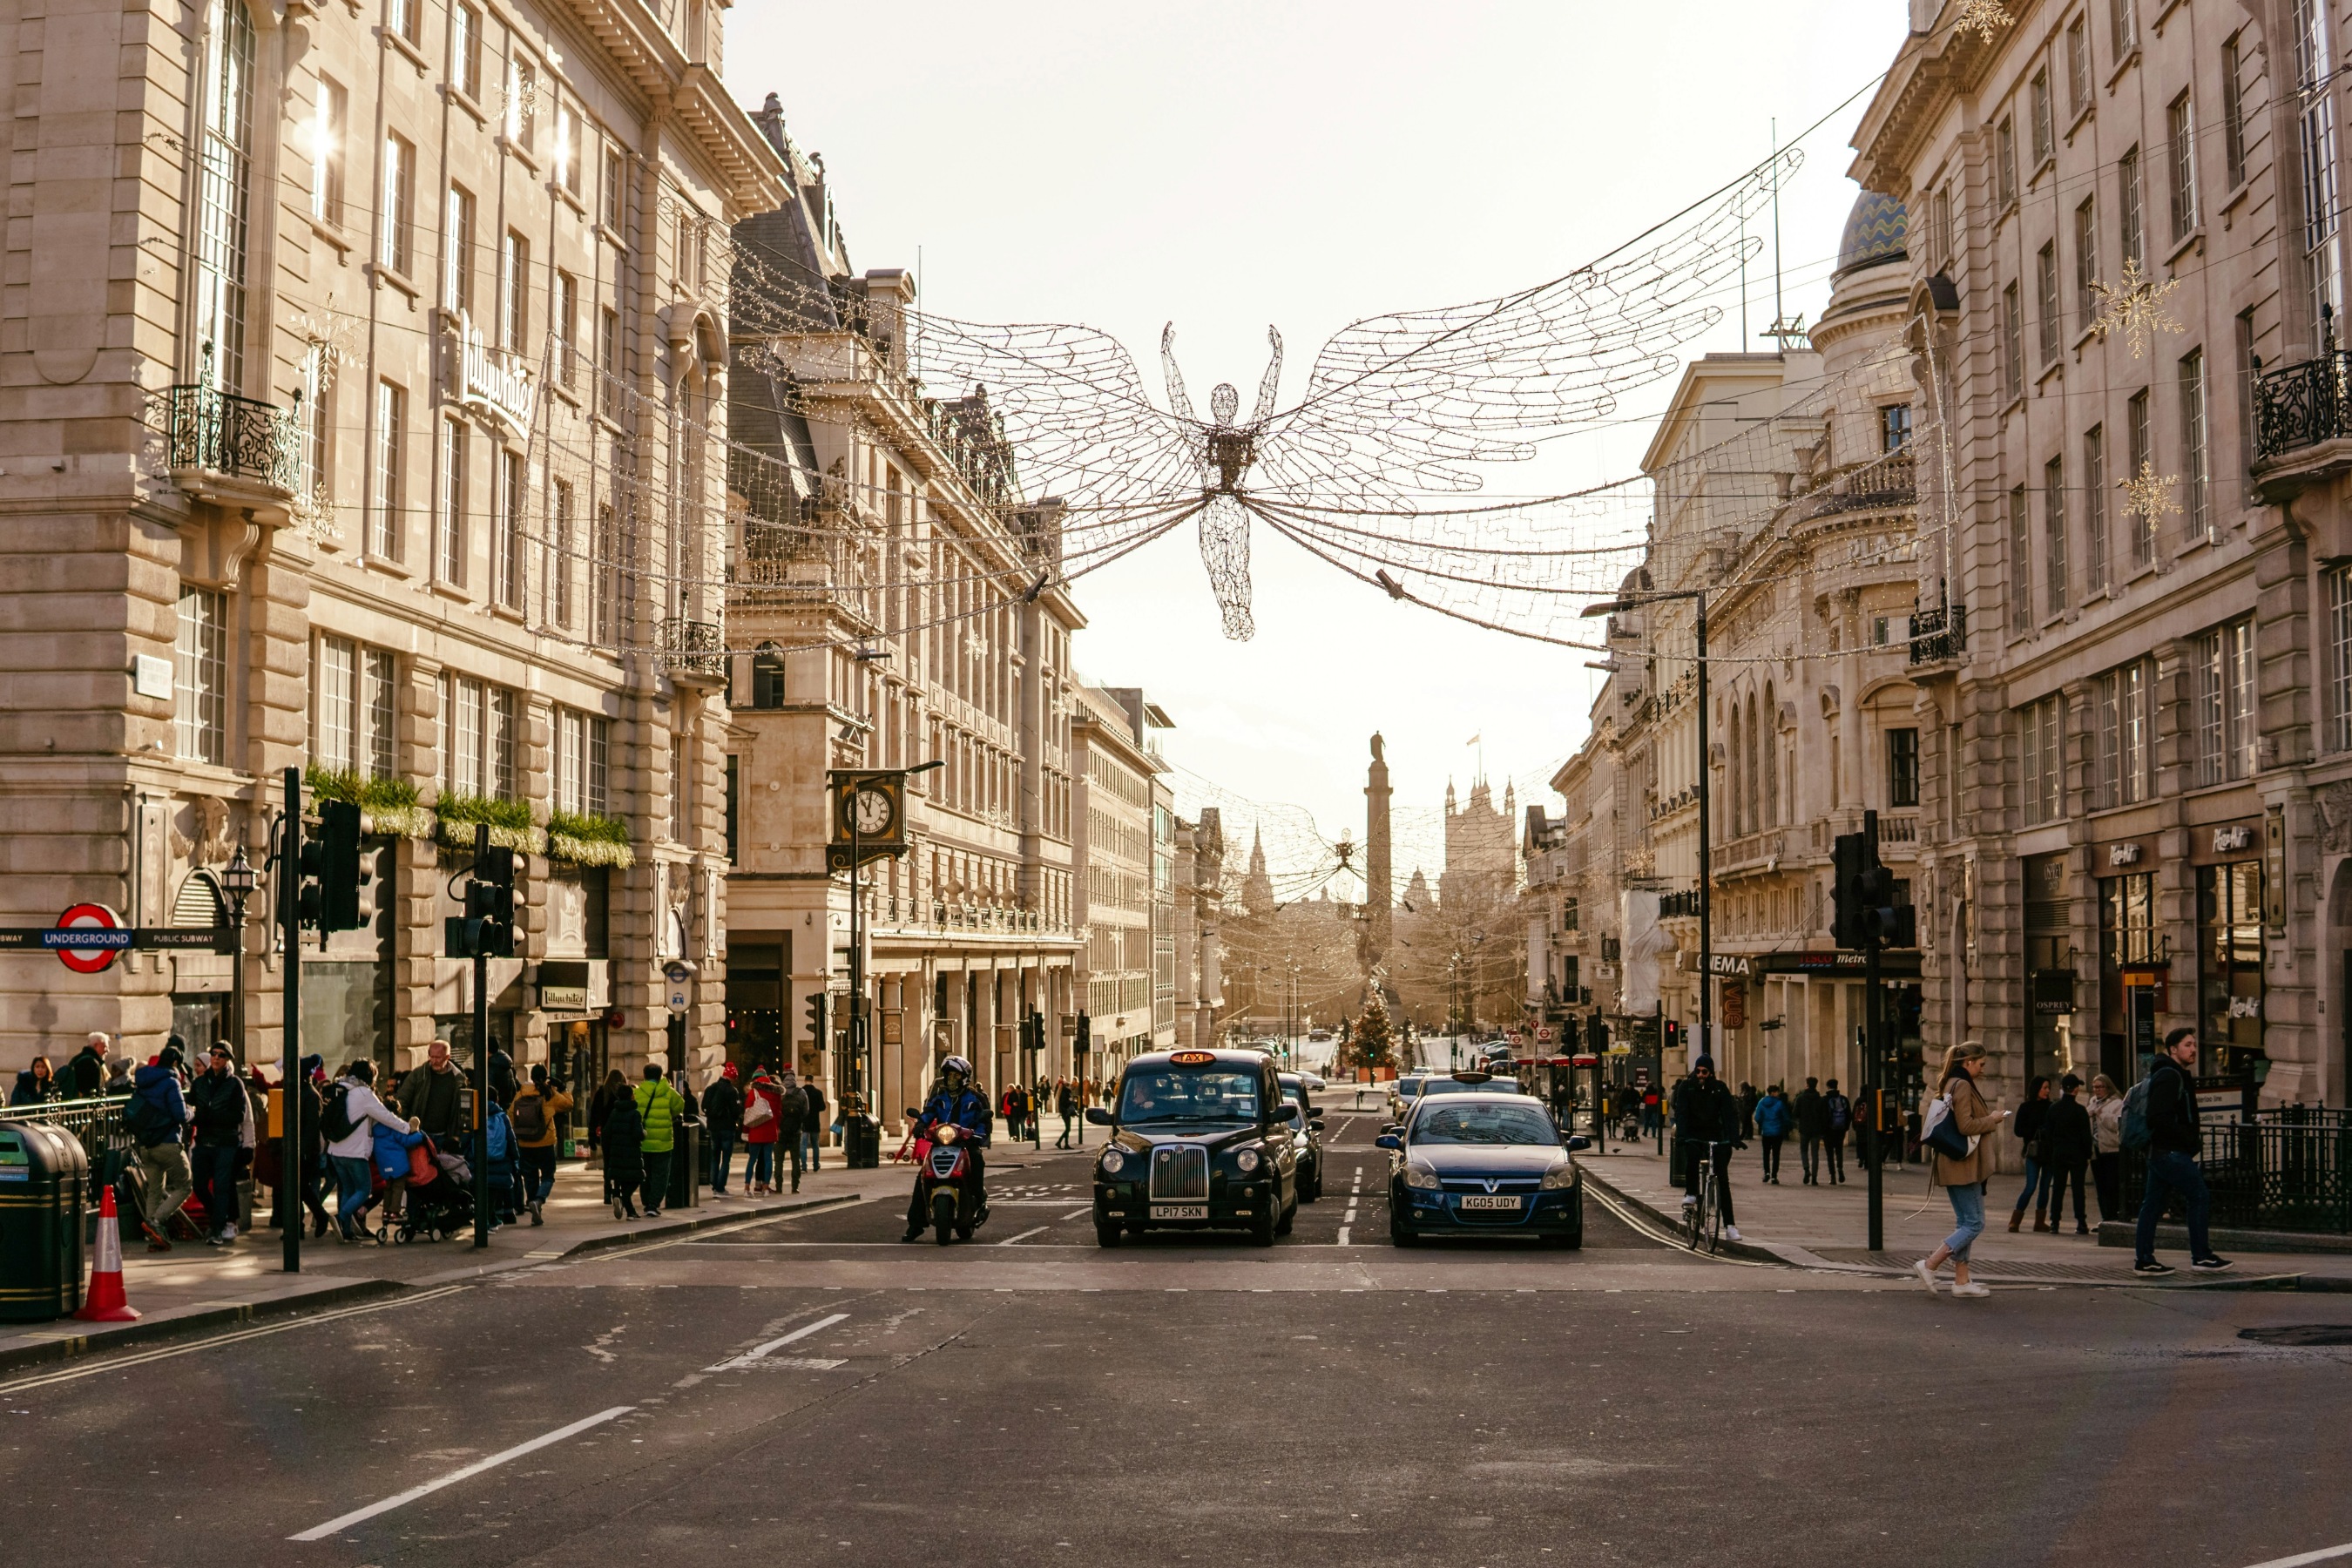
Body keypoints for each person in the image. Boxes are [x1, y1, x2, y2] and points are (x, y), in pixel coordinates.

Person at [1914, 1040, 2010, 1298]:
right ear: (1968, 1063)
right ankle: (1930, 1264)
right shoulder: (1963, 1085)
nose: (1983, 1069)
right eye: (1980, 1064)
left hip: (1954, 1163)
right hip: (1964, 1165)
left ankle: (1962, 1281)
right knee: (1975, 1224)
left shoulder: (1951, 1082)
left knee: (1964, 1222)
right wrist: (1993, 1119)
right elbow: (1966, 1125)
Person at [2135, 1027, 2233, 1275]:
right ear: (2173, 1049)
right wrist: (2187, 1138)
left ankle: (2144, 1260)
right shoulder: (2170, 1076)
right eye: (2188, 1045)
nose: (2193, 1049)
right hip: (2170, 1152)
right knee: (2199, 1196)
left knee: (2153, 1204)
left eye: (2194, 1045)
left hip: (2161, 1152)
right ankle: (2201, 1256)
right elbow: (2158, 1117)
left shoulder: (2171, 1073)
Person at [902, 1056, 992, 1241]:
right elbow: (928, 1114)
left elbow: (985, 1122)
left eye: (955, 1075)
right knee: (922, 1177)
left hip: (966, 1143)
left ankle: (977, 1200)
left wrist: (979, 1136)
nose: (951, 1079)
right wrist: (920, 1125)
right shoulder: (939, 1098)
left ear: (964, 1077)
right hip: (942, 1143)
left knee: (977, 1160)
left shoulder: (976, 1098)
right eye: (948, 1075)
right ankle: (916, 1224)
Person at [323, 1060, 409, 1241]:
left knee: (348, 1189)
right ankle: (341, 1218)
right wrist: (407, 1128)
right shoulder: (364, 1093)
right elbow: (385, 1116)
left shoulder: (341, 1087)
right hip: (354, 1152)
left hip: (335, 1151)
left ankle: (347, 1231)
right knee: (364, 1189)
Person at [1670, 1055, 1744, 1243]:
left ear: (1711, 1072)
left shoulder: (1720, 1088)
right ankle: (1692, 1194)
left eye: (1705, 1071)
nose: (1701, 1074)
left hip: (1715, 1135)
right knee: (1692, 1158)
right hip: (1694, 1134)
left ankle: (1730, 1226)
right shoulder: (1686, 1087)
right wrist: (1681, 1137)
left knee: (1723, 1180)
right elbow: (1682, 1113)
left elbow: (1729, 1114)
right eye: (1698, 1071)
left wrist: (1734, 1139)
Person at [128, 1044, 193, 1250]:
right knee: (185, 1185)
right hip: (167, 1142)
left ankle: (153, 1240)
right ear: (175, 1063)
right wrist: (193, 1112)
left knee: (154, 1191)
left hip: (146, 1145)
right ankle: (156, 1222)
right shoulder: (171, 1082)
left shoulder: (143, 1080)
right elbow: (180, 1115)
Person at [186, 1044, 249, 1244]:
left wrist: (212, 1116)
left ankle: (216, 1229)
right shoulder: (200, 1083)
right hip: (204, 1141)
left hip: (225, 1142)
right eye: (213, 1054)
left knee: (222, 1186)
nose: (216, 1058)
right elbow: (191, 1107)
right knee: (199, 1185)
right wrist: (195, 1118)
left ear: (227, 1060)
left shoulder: (235, 1084)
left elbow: (239, 1115)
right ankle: (218, 1218)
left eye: (221, 1056)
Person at [507, 1065, 571, 1224]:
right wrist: (563, 1088)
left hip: (525, 1143)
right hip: (545, 1142)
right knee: (548, 1176)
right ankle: (538, 1200)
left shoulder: (521, 1093)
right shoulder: (550, 1095)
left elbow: (510, 1115)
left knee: (530, 1178)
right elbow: (569, 1104)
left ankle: (535, 1211)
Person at [2042, 1073, 2094, 1236]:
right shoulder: (2080, 1111)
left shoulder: (2054, 1109)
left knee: (2058, 1188)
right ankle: (2081, 1222)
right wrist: (2087, 1154)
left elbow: (2048, 1134)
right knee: (2079, 1189)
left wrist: (2052, 1151)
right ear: (2076, 1090)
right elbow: (2086, 1136)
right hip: (2077, 1154)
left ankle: (2055, 1222)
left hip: (2059, 1153)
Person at [632, 1063, 687, 1219]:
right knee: (661, 1175)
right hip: (663, 1142)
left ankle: (645, 1201)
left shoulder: (638, 1092)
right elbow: (680, 1107)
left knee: (645, 1173)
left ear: (644, 1076)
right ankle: (653, 1204)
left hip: (643, 1141)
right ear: (660, 1075)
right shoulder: (669, 1092)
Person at [2006, 1075, 2054, 1233]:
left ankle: (2039, 1222)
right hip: (2033, 1152)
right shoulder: (2026, 1107)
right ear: (2037, 1089)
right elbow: (2018, 1131)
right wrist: (2035, 1130)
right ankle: (2015, 1220)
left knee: (2045, 1187)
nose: (2047, 1091)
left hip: (2048, 1152)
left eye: (2048, 1088)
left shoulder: (2051, 1107)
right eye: (2044, 1087)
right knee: (2031, 1186)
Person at [396, 1039, 467, 1145]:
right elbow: (402, 1100)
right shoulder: (419, 1075)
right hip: (418, 1134)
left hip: (444, 1137)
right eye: (431, 1057)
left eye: (438, 1058)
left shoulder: (458, 1079)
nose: (434, 1061)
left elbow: (460, 1110)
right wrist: (405, 1126)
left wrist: (456, 1135)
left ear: (447, 1057)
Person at [601, 1082, 645, 1219]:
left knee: (622, 1178)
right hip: (631, 1153)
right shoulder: (635, 1114)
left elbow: (606, 1133)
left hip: (617, 1153)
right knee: (637, 1178)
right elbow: (637, 1134)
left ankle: (629, 1209)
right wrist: (644, 1133)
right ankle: (623, 1198)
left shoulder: (614, 1113)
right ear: (632, 1096)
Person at [2089, 1072, 2126, 1223]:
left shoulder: (2117, 1103)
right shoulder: (2092, 1102)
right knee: (2101, 1186)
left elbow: (2118, 1125)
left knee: (2112, 1185)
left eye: (2101, 1087)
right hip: (2096, 1149)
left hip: (2112, 1150)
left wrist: (2102, 1114)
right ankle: (2105, 1216)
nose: (2098, 1090)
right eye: (2095, 1087)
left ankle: (2113, 1214)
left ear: (2108, 1087)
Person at [701, 1064, 743, 1195]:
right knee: (726, 1158)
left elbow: (703, 1106)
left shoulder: (710, 1088)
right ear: (732, 1078)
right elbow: (736, 1111)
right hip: (727, 1128)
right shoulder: (732, 1091)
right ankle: (720, 1187)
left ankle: (714, 1184)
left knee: (714, 1157)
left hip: (713, 1127)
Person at [741, 1066, 783, 1194]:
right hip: (770, 1130)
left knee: (752, 1159)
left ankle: (747, 1187)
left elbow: (747, 1114)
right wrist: (776, 1126)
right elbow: (779, 1113)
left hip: (756, 1130)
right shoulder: (776, 1092)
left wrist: (745, 1131)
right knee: (768, 1159)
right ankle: (765, 1187)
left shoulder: (753, 1093)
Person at [774, 1069, 809, 1193]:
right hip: (795, 1131)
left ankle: (779, 1187)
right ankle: (795, 1186)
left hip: (780, 1132)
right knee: (795, 1160)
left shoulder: (779, 1092)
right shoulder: (802, 1093)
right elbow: (806, 1112)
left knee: (779, 1161)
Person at [1791, 1077, 1827, 1185]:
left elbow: (1795, 1113)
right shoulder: (1820, 1099)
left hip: (1804, 1128)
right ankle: (1814, 1178)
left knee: (1803, 1150)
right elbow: (1824, 1116)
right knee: (1815, 1153)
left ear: (1807, 1085)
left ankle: (1806, 1169)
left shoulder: (1801, 1098)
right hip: (1816, 1129)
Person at [1754, 1083, 1792, 1184]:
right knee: (1776, 1154)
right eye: (1777, 1092)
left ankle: (1767, 1173)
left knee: (1766, 1154)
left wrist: (1763, 1124)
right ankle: (1774, 1175)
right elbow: (1786, 1117)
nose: (1778, 1094)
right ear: (1773, 1093)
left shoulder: (1762, 1102)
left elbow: (1757, 1117)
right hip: (1777, 1132)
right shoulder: (1780, 1103)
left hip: (1766, 1132)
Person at [1821, 1078, 1853, 1185]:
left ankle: (1832, 1175)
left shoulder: (1824, 1100)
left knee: (1829, 1153)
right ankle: (1840, 1169)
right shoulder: (1843, 1099)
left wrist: (1823, 1130)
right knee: (1839, 1150)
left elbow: (1822, 1116)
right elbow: (1849, 1114)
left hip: (1828, 1131)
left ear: (1828, 1087)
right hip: (1840, 1129)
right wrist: (1846, 1127)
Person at [61, 1034, 110, 1099]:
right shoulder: (91, 1063)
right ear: (96, 1045)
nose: (107, 1050)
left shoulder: (78, 1058)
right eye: (105, 1047)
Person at [800, 1072, 828, 1173]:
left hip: (804, 1122)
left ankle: (803, 1166)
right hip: (815, 1122)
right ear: (812, 1081)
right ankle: (816, 1165)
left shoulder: (801, 1092)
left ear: (805, 1080)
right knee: (815, 1144)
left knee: (803, 1145)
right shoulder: (818, 1092)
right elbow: (822, 1107)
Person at [1056, 1079, 1078, 1149]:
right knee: (1068, 1129)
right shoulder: (1067, 1092)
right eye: (1070, 1086)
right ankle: (1060, 1142)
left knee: (1067, 1128)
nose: (1071, 1087)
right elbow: (1067, 1102)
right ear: (1067, 1086)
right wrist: (1072, 1101)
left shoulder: (1061, 1092)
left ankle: (1065, 1144)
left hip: (1063, 1112)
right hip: (1066, 1112)